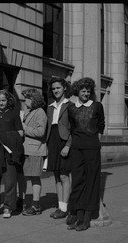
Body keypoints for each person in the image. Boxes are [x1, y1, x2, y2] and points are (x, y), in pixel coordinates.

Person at [66, 77, 105, 231]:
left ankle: (87, 216)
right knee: (77, 180)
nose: (86, 93)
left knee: (91, 180)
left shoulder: (97, 106)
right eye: (83, 90)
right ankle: (77, 212)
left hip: (92, 148)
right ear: (77, 91)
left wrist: (96, 142)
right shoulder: (71, 108)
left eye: (88, 91)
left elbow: (101, 125)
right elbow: (72, 128)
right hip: (76, 148)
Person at [0, 89, 24, 219]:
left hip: (9, 150)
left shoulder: (14, 114)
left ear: (8, 101)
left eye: (3, 100)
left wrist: (5, 138)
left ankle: (8, 207)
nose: (1, 103)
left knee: (10, 179)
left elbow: (20, 133)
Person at [45, 77, 73, 221]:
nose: (56, 90)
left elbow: (74, 129)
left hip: (64, 141)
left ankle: (65, 207)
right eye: (54, 88)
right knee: (56, 175)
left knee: (64, 175)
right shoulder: (50, 107)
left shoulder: (70, 105)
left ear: (64, 88)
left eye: (58, 88)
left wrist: (68, 145)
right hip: (53, 140)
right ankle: (60, 206)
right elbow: (49, 127)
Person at [17, 88, 47, 216]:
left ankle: (36, 206)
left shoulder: (40, 113)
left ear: (34, 99)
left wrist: (24, 128)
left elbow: (40, 132)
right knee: (21, 177)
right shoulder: (28, 111)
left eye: (27, 99)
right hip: (25, 149)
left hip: (35, 150)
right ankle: (21, 201)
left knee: (35, 178)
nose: (25, 101)